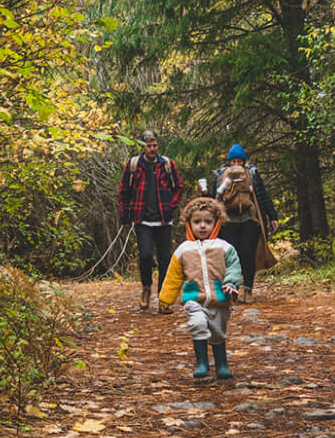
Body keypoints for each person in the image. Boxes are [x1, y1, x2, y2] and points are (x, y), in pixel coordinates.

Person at [158, 196, 242, 380]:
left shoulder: (224, 247)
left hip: (219, 298)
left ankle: (221, 365)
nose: (202, 226)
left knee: (218, 333)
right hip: (194, 297)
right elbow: (173, 277)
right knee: (197, 324)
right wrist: (165, 299)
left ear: (216, 223)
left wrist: (231, 283)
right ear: (188, 224)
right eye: (197, 222)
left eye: (207, 222)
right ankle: (202, 363)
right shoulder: (183, 250)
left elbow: (234, 268)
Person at [118, 129, 184, 311]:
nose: (152, 149)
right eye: (148, 146)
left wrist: (171, 204)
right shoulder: (133, 165)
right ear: (142, 146)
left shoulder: (167, 164)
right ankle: (146, 287)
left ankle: (163, 299)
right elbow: (124, 191)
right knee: (145, 255)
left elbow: (179, 187)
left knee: (164, 260)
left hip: (164, 219)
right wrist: (125, 216)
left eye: (155, 145)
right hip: (142, 219)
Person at [211, 144, 278, 303]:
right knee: (230, 255)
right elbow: (214, 198)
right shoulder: (221, 175)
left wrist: (272, 216)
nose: (236, 165)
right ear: (229, 162)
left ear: (243, 162)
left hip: (249, 218)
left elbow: (262, 195)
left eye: (239, 161)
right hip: (228, 220)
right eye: (233, 161)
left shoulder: (252, 174)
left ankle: (248, 289)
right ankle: (232, 288)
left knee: (248, 253)